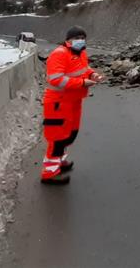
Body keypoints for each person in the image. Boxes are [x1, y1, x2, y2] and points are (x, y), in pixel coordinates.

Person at [41, 26, 103, 184]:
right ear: (68, 40)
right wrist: (82, 82)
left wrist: (92, 74)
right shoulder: (59, 54)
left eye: (83, 37)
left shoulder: (81, 52)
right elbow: (56, 79)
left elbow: (84, 69)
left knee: (69, 134)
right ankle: (49, 173)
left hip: (74, 100)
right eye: (77, 37)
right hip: (58, 101)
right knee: (57, 138)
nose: (80, 40)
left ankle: (59, 162)